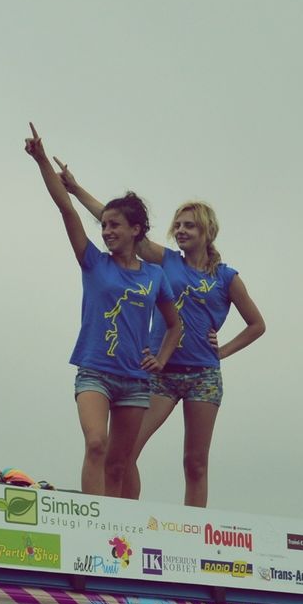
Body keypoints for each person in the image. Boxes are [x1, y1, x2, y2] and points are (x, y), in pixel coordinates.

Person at [57, 164, 265, 507]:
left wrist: (223, 351)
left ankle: (195, 530)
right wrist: (77, 190)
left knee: (195, 462)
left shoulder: (227, 277)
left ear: (207, 231)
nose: (180, 231)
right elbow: (120, 225)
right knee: (125, 450)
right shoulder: (165, 261)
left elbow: (257, 324)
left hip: (203, 376)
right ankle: (120, 512)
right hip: (160, 372)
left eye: (189, 225)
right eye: (178, 225)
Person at [25, 124, 182, 497]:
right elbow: (66, 210)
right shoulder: (94, 263)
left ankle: (120, 529)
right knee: (96, 443)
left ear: (136, 230)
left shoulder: (156, 276)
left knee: (120, 462)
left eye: (115, 226)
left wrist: (160, 359)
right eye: (104, 225)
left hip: (134, 380)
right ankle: (90, 519)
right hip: (95, 372)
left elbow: (175, 326)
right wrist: (41, 160)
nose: (106, 231)